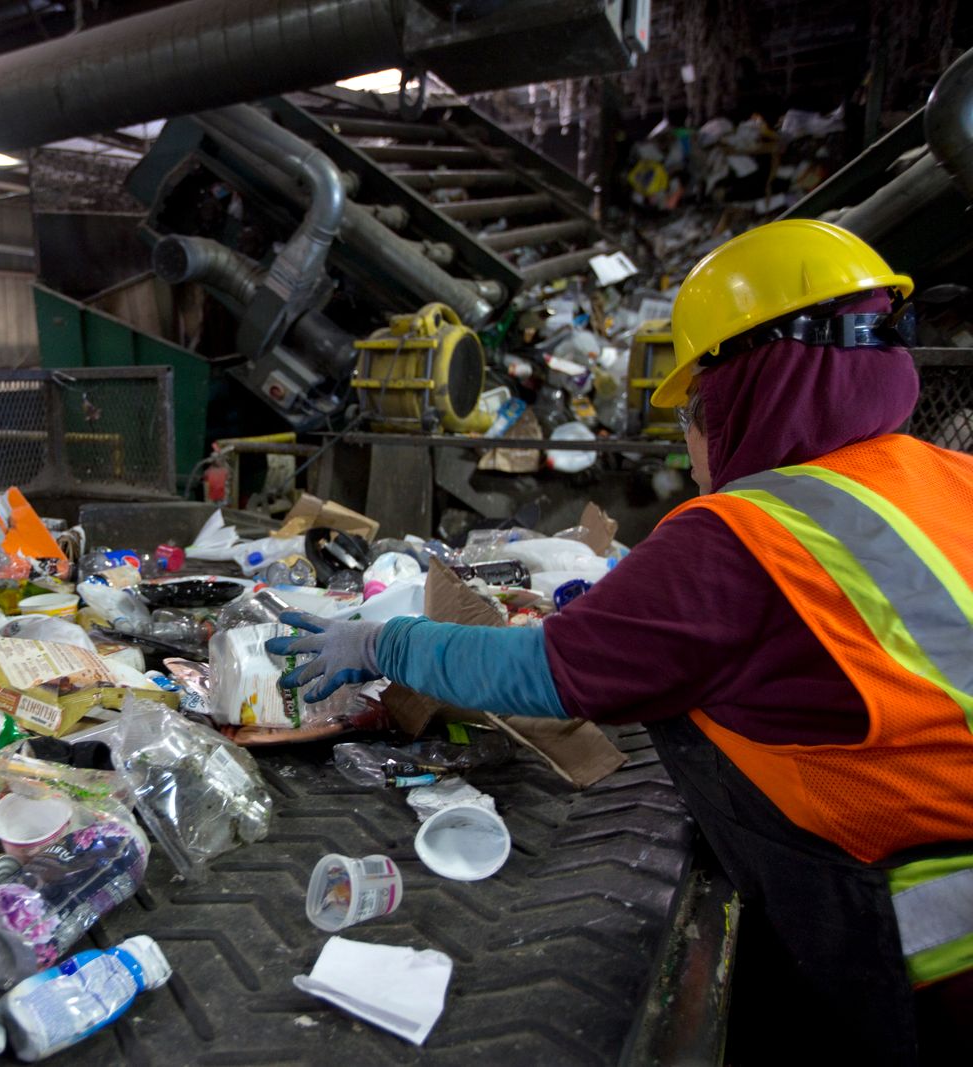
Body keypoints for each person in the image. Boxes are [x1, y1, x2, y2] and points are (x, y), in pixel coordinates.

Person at [268, 220, 973, 1065]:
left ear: (744, 388)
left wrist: (384, 641)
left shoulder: (742, 535)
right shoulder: (949, 475)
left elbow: (538, 670)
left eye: (696, 411)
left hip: (926, 967)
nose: (695, 440)